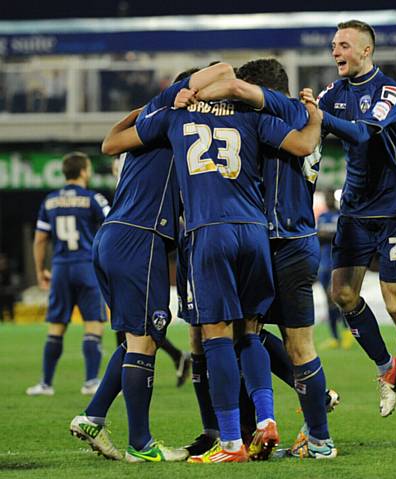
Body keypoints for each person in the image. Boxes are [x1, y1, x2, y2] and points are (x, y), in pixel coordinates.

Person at [106, 65, 321, 463]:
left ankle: (230, 443)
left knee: (216, 336)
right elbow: (305, 145)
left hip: (208, 231)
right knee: (251, 333)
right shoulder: (253, 116)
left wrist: (151, 106)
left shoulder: (175, 114)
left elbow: (112, 144)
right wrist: (316, 118)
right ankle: (265, 420)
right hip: (254, 231)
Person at [69, 64, 234, 463]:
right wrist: (191, 90)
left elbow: (109, 144)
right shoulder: (176, 113)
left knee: (134, 338)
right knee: (145, 338)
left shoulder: (160, 117)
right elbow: (225, 69)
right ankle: (141, 444)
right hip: (140, 238)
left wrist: (151, 105)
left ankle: (93, 416)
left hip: (114, 236)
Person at [299, 19, 396, 443]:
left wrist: (321, 116)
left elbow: (362, 134)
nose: (335, 51)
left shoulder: (389, 92)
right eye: (332, 45)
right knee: (342, 294)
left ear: (366, 50)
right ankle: (386, 368)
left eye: (343, 44)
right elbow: (311, 124)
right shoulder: (333, 93)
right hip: (356, 211)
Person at [27, 152, 109, 397]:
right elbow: (112, 227)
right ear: (84, 171)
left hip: (61, 266)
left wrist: (41, 269)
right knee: (93, 323)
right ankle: (91, 381)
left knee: (56, 326)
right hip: (87, 266)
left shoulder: (50, 201)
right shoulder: (94, 198)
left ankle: (46, 384)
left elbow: (40, 239)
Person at [110, 156, 191, 388]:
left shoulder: (143, 166)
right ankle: (176, 357)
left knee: (141, 324)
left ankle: (116, 391)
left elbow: (110, 145)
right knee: (131, 323)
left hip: (148, 237)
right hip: (141, 236)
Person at [316, 190, 352, 351]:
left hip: (338, 265)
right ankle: (334, 337)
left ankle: (347, 333)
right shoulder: (322, 217)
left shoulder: (341, 216)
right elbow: (317, 236)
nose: (329, 199)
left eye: (331, 196)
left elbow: (343, 237)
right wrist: (329, 234)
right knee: (328, 301)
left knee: (339, 299)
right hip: (323, 265)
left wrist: (326, 235)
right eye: (327, 196)